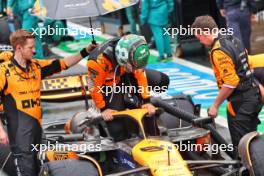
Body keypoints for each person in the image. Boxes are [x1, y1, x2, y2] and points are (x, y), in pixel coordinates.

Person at [0, 29, 97, 176]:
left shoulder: (36, 66)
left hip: (38, 132)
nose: (34, 51)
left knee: (41, 168)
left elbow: (63, 64)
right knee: (27, 171)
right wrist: (0, 131)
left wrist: (85, 51)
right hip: (19, 136)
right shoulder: (3, 72)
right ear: (19, 48)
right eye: (30, 48)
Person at [192, 15, 262, 159]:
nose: (200, 41)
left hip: (241, 103)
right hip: (254, 96)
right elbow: (246, 63)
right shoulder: (233, 38)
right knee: (253, 141)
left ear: (205, 33)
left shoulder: (218, 51)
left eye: (199, 37)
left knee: (242, 149)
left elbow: (231, 82)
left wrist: (215, 105)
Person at [87, 34, 169, 141]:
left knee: (162, 81)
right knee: (117, 128)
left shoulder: (134, 50)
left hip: (126, 71)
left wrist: (147, 101)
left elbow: (140, 74)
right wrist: (103, 109)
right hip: (109, 84)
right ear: (123, 58)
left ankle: (153, 133)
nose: (137, 68)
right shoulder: (97, 62)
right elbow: (94, 88)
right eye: (135, 66)